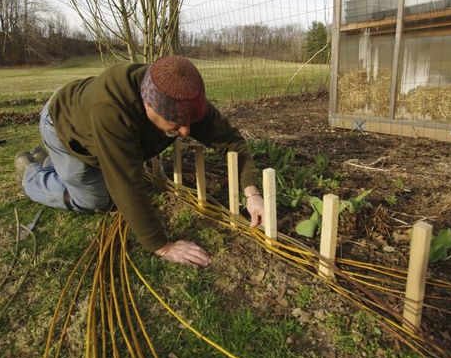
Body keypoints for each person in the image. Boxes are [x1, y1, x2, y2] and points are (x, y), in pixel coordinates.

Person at [15, 56, 264, 267]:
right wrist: (162, 246)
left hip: (88, 113)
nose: (186, 131)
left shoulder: (181, 97)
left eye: (190, 121)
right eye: (176, 124)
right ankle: (32, 175)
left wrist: (251, 193)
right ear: (147, 105)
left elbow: (231, 140)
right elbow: (126, 183)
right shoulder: (113, 111)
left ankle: (49, 162)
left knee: (99, 185)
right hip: (66, 127)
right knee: (95, 201)